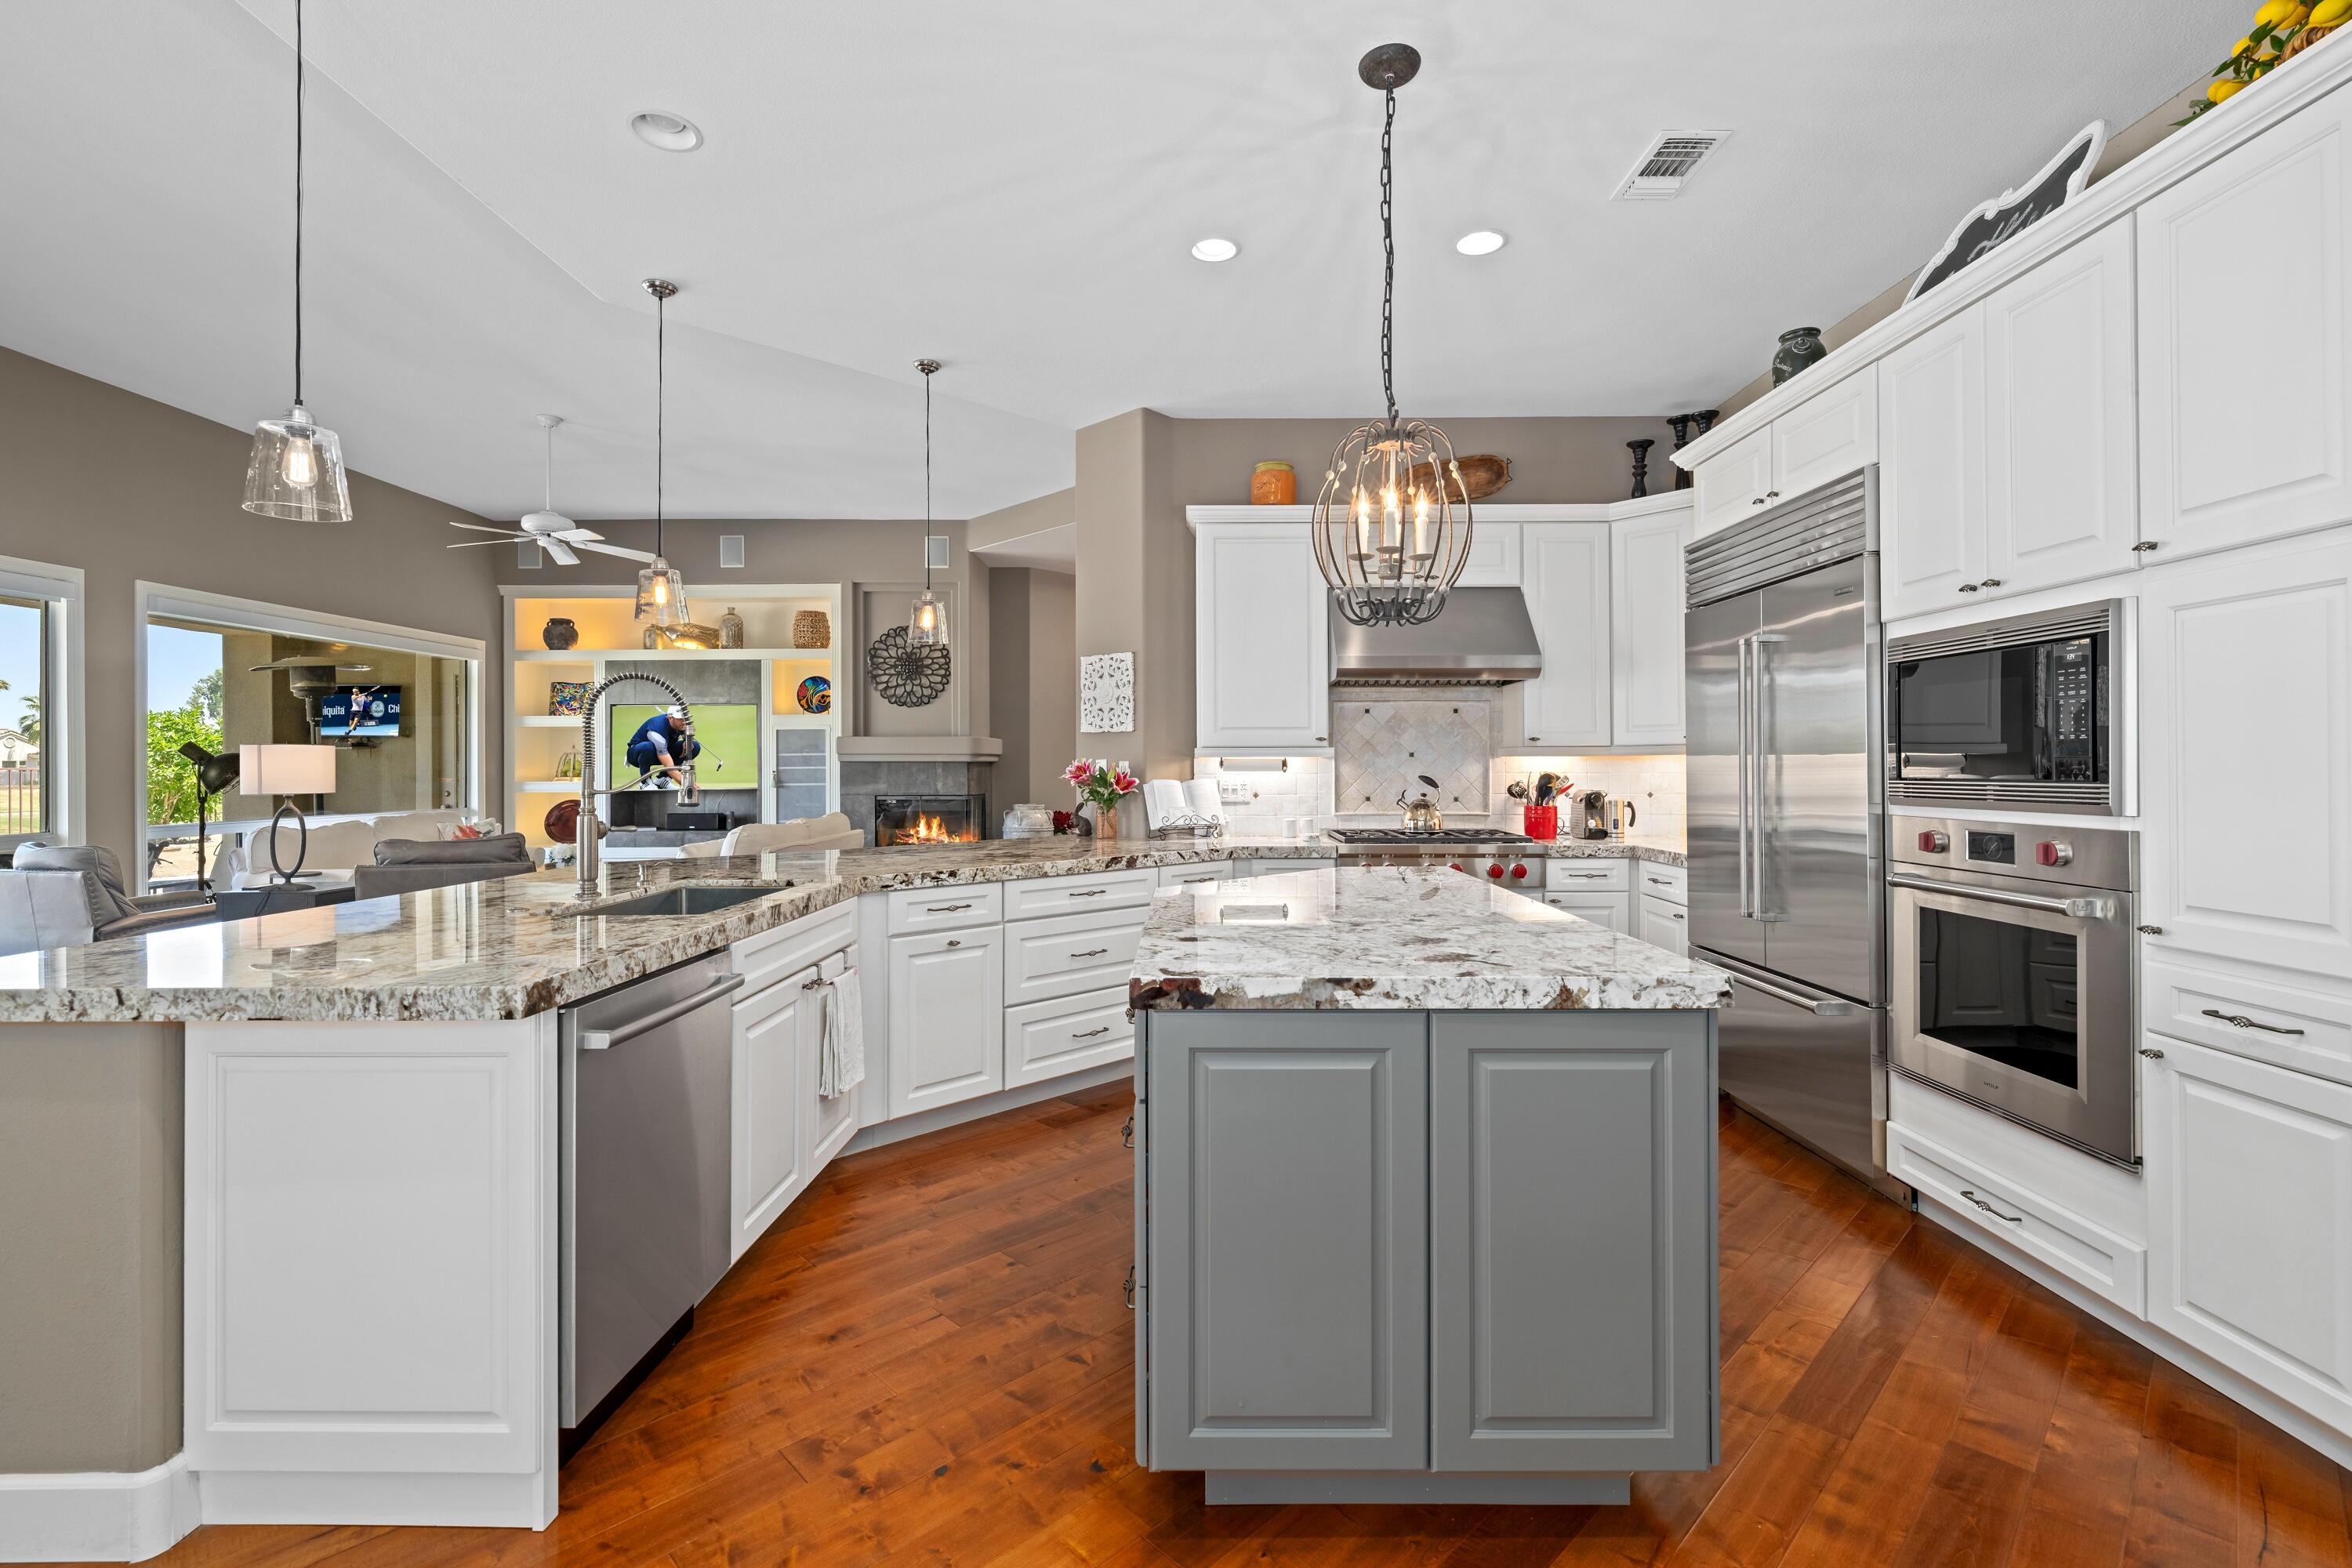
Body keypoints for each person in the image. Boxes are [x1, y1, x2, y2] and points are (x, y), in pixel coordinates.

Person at [625, 703, 699, 787]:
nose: (684, 722)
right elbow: (670, 768)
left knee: (694, 747)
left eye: (685, 718)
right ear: (670, 718)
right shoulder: (657, 731)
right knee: (648, 747)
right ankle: (644, 782)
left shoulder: (681, 724)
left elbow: (686, 734)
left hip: (660, 751)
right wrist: (689, 785)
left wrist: (688, 740)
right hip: (637, 754)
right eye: (680, 719)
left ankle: (662, 780)